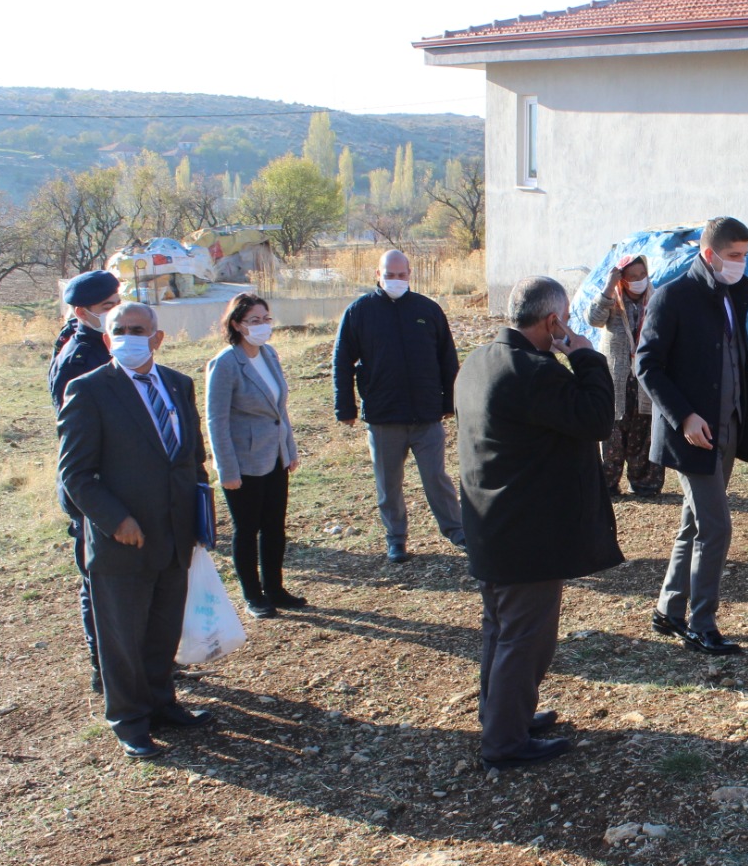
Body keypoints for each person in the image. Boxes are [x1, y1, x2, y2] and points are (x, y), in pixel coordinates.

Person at [456, 276, 623, 770]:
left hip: (491, 524)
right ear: (553, 321)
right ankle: (505, 742)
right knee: (526, 638)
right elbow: (596, 418)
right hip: (524, 534)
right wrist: (588, 356)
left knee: (500, 629)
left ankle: (503, 716)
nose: (568, 326)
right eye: (565, 319)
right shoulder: (533, 372)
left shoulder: (479, 360)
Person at [57, 302, 215, 759]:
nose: (128, 336)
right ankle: (129, 719)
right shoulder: (87, 391)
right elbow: (76, 474)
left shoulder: (177, 384)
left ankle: (162, 703)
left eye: (138, 329)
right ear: (107, 340)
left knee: (163, 627)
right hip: (122, 539)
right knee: (122, 635)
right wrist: (115, 520)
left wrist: (200, 512)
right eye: (119, 330)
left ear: (157, 338)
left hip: (174, 531)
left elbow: (190, 458)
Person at [635, 217, 748, 656]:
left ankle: (669, 609)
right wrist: (685, 416)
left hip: (727, 428)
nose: (741, 264)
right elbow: (647, 365)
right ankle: (700, 624)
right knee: (716, 527)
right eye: (734, 256)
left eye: (745, 255)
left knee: (694, 524)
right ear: (709, 255)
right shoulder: (672, 297)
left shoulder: (729, 294)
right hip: (690, 434)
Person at [332, 249, 465, 563]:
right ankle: (396, 540)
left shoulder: (428, 310)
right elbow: (342, 361)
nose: (395, 279)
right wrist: (345, 408)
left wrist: (450, 402)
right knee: (388, 483)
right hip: (383, 417)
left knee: (437, 478)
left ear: (410, 274)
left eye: (401, 274)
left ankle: (457, 531)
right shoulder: (359, 312)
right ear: (377, 275)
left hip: (427, 416)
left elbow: (448, 359)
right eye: (389, 274)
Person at [205, 293, 303, 620]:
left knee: (274, 526)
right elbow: (216, 419)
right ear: (236, 324)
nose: (262, 326)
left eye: (266, 319)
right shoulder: (226, 363)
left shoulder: (270, 354)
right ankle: (253, 595)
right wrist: (226, 469)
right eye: (253, 321)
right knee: (246, 529)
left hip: (274, 457)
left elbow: (279, 409)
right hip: (243, 463)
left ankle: (275, 588)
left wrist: (289, 450)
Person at [48, 270, 123, 694]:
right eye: (107, 307)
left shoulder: (102, 344)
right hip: (93, 489)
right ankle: (105, 666)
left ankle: (130, 658)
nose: (115, 310)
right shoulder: (79, 358)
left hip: (118, 482)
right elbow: (78, 439)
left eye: (117, 300)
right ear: (82, 313)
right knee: (98, 581)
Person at [587, 254, 665, 497]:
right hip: (616, 377)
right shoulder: (611, 301)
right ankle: (607, 483)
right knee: (612, 430)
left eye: (643, 275)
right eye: (632, 277)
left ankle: (645, 483)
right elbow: (593, 319)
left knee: (644, 429)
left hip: (645, 377)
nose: (639, 280)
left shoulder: (656, 299)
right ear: (622, 280)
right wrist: (609, 287)